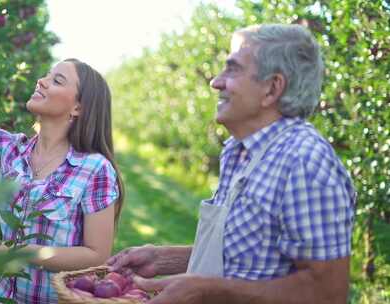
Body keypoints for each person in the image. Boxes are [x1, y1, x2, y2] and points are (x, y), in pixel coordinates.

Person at [107, 24, 355, 304]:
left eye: (232, 69)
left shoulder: (304, 161)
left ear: (272, 89)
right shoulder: (240, 151)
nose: (216, 82)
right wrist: (163, 259)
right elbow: (246, 257)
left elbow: (326, 293)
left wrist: (207, 291)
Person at [0, 58, 124, 303]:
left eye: (57, 80)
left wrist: (15, 252)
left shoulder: (94, 169)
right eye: (47, 75)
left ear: (78, 108)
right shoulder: (13, 150)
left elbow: (97, 256)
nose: (42, 81)